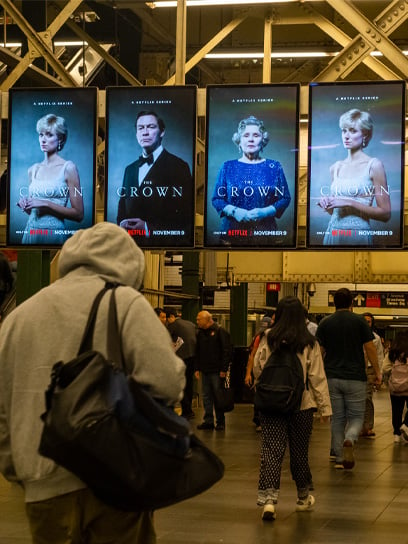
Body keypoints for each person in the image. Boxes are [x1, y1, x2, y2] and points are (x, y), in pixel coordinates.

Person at [0, 222, 186, 544]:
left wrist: (21, 470)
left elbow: (2, 408)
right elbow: (166, 382)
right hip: (114, 481)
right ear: (131, 264)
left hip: (41, 486)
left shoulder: (19, 317)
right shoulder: (125, 302)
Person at [256, 296, 332, 521]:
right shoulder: (309, 342)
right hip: (302, 403)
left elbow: (260, 367)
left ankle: (269, 501)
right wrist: (324, 408)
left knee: (271, 450)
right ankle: (302, 497)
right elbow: (317, 376)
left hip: (271, 403)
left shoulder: (268, 337)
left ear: (278, 314)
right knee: (299, 452)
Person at [316, 288, 382, 470]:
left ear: (334, 302)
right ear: (352, 303)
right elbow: (370, 348)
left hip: (332, 377)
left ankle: (338, 457)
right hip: (356, 377)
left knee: (337, 418)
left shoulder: (325, 323)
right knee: (356, 417)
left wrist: (317, 375)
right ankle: (350, 438)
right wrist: (377, 372)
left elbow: (319, 352)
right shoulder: (360, 322)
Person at [211, 115, 291, 245]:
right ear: (239, 140)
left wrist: (264, 212)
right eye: (246, 135)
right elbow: (217, 199)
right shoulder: (227, 166)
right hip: (232, 234)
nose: (251, 140)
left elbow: (285, 198)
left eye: (256, 135)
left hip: (265, 234)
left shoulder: (275, 166)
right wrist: (235, 212)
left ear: (263, 140)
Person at [116, 110, 193, 244]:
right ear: (136, 134)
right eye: (141, 128)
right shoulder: (130, 170)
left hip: (161, 246)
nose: (145, 132)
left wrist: (147, 229)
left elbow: (185, 222)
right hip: (128, 249)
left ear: (162, 132)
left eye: (151, 127)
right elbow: (122, 209)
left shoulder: (179, 167)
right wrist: (122, 224)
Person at [318, 108, 391, 246]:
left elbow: (385, 214)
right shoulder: (335, 167)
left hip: (358, 236)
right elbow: (333, 211)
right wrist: (327, 203)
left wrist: (349, 202)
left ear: (365, 135)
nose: (346, 136)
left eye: (353, 131)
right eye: (344, 130)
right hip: (333, 234)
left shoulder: (374, 165)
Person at [17, 113, 84, 245]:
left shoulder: (69, 168)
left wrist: (46, 203)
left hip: (54, 235)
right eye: (41, 134)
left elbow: (79, 214)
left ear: (60, 139)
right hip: (31, 233)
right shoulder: (33, 169)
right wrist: (25, 205)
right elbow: (34, 210)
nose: (43, 139)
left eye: (49, 135)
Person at [195, 311, 232, 431]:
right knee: (206, 397)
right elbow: (198, 351)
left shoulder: (220, 332)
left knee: (218, 396)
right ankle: (208, 421)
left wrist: (224, 369)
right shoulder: (200, 333)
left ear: (208, 320)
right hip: (205, 371)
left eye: (199, 319)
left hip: (217, 371)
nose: (197, 321)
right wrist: (197, 368)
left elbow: (227, 351)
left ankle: (220, 422)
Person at [245, 314, 274, 431]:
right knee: (260, 397)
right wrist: (248, 373)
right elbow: (252, 355)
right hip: (259, 373)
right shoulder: (258, 337)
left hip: (270, 373)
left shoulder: (274, 337)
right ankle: (259, 420)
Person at [167, 309, 197, 419]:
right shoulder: (191, 324)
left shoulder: (173, 325)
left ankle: (186, 410)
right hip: (192, 358)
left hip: (181, 359)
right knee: (189, 384)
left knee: (181, 384)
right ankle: (189, 410)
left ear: (171, 316)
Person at [361, 312, 384, 438]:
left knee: (367, 398)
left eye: (369, 321)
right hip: (357, 369)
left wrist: (378, 373)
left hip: (370, 370)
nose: (366, 323)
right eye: (364, 321)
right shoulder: (355, 336)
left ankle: (368, 426)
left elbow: (379, 356)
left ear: (372, 323)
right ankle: (358, 426)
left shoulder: (375, 338)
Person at [382, 331, 408, 444]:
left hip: (395, 388)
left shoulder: (392, 353)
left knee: (396, 410)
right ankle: (406, 424)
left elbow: (384, 368)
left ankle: (396, 434)